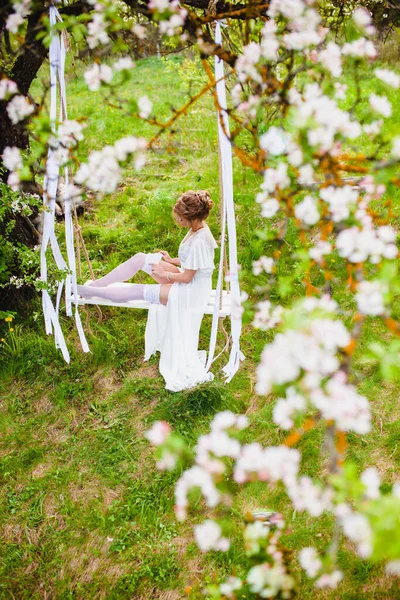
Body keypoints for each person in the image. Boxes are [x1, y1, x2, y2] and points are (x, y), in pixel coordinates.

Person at [77, 190, 218, 392]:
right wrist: (170, 261)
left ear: (189, 216)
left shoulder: (200, 238)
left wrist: (165, 273)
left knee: (140, 291)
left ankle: (91, 293)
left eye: (179, 216)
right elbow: (194, 263)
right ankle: (100, 283)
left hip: (191, 292)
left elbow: (188, 277)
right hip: (188, 281)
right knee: (141, 258)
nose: (177, 219)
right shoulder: (197, 229)